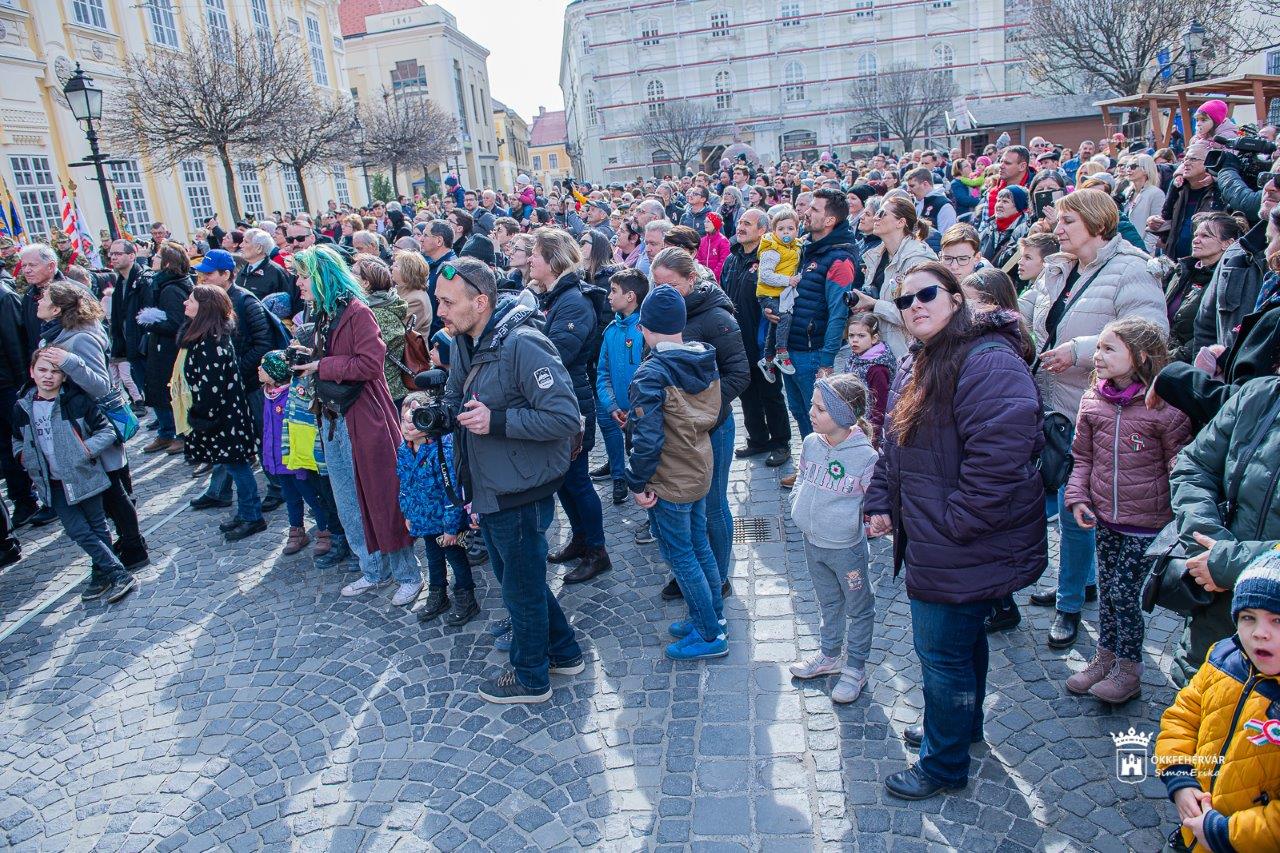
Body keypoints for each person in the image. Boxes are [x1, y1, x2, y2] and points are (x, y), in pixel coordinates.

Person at [865, 262, 1046, 800]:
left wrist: (954, 523)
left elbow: (1004, 455)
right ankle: (960, 728)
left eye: (927, 294)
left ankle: (943, 764)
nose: (915, 306)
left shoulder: (986, 360)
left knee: (942, 655)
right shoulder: (922, 356)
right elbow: (893, 442)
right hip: (938, 534)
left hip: (959, 538)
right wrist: (881, 499)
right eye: (905, 301)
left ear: (955, 298)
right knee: (961, 648)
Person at [1019, 190, 1168, 649]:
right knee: (1066, 504)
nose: (1057, 230)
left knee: (1073, 507)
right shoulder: (1061, 267)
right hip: (1056, 404)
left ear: (1097, 224)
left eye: (1067, 222)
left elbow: (1151, 333)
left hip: (1105, 410)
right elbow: (1030, 315)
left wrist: (1083, 350)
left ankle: (1068, 608)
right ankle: (1079, 584)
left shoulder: (1132, 268)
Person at [436, 256, 585, 704]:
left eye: (447, 301)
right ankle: (563, 651)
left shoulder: (523, 343)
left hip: (519, 486)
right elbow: (458, 396)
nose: (440, 311)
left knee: (519, 585)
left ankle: (531, 677)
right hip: (491, 480)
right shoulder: (468, 339)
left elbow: (564, 416)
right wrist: (439, 414)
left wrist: (497, 421)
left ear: (480, 302)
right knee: (517, 577)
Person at [1061, 319, 1191, 704]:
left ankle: (1128, 668)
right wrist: (1078, 495)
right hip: (1106, 518)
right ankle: (1105, 657)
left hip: (1146, 522)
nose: (1097, 357)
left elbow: (1179, 464)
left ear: (1141, 357)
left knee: (1123, 594)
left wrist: (1180, 519)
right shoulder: (1092, 400)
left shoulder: (1165, 408)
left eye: (1108, 349)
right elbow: (1082, 456)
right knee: (1107, 591)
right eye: (1097, 348)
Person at [290, 246, 422, 607]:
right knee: (348, 499)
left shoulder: (357, 311)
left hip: (364, 417)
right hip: (332, 417)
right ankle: (373, 569)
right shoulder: (320, 314)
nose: (298, 283)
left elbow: (369, 364)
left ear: (321, 277)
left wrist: (321, 366)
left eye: (303, 276)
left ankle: (408, 574)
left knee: (382, 498)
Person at [624, 284, 726, 660]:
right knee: (699, 546)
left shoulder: (652, 373)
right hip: (698, 466)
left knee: (681, 555)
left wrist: (636, 480)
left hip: (669, 476)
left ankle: (708, 635)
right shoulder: (703, 357)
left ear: (645, 326)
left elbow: (647, 440)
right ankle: (711, 616)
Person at [1155, 552, 1280, 853]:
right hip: (1194, 829)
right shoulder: (1223, 657)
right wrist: (1180, 779)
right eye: (1248, 617)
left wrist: (1223, 833)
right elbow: (1182, 718)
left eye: (1278, 620)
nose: (1260, 633)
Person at [1167, 372, 1280, 686]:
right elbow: (1195, 467)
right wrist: (1207, 543)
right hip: (1215, 617)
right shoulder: (1259, 395)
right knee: (1196, 711)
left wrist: (1228, 564)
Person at [650, 247, 750, 599]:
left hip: (713, 426)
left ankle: (718, 577)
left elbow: (740, 374)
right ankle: (693, 572)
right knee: (685, 503)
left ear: (692, 280)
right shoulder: (664, 312)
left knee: (711, 505)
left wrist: (704, 412)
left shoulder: (716, 316)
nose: (662, 292)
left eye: (670, 285)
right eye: (656, 285)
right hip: (679, 428)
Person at [35, 281, 149, 570]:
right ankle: (126, 543)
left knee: (113, 489)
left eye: (44, 297)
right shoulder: (55, 334)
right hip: (75, 422)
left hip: (95, 423)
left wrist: (70, 362)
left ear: (58, 308)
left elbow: (101, 384)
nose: (38, 300)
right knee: (110, 488)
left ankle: (134, 547)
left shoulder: (79, 338)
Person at [14, 348, 136, 602]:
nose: (48, 376)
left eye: (55, 371)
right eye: (42, 370)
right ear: (32, 372)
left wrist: (86, 450)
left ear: (64, 376)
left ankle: (104, 573)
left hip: (84, 474)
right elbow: (16, 439)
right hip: (52, 482)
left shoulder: (76, 401)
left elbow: (107, 431)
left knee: (97, 525)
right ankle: (117, 572)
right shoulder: (23, 407)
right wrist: (23, 456)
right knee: (77, 529)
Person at [786, 374, 879, 703]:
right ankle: (829, 656)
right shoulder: (812, 442)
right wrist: (797, 505)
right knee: (828, 602)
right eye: (812, 405)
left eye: (820, 408)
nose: (812, 412)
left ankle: (855, 667)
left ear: (843, 415)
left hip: (846, 550)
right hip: (813, 543)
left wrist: (866, 525)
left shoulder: (865, 456)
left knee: (859, 606)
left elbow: (874, 503)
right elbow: (801, 477)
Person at [526, 228, 611, 584]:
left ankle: (597, 551)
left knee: (576, 480)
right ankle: (579, 540)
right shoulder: (555, 297)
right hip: (562, 399)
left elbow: (557, 354)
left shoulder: (572, 301)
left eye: (535, 254)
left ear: (552, 260)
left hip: (572, 400)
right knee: (564, 479)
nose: (530, 259)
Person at [171, 285, 263, 542]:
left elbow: (212, 387)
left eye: (191, 301)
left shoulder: (211, 342)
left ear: (205, 308)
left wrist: (201, 416)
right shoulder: (206, 336)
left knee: (239, 466)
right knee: (234, 465)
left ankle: (252, 516)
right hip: (224, 415)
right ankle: (246, 511)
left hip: (224, 417)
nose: (185, 304)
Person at [775, 188, 858, 447]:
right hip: (791, 348)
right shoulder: (807, 248)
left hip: (813, 352)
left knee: (820, 418)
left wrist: (826, 361)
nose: (806, 213)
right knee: (800, 413)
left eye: (814, 210)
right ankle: (809, 464)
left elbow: (838, 312)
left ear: (830, 220)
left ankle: (825, 471)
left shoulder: (840, 258)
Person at [398, 393, 477, 627]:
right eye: (404, 421)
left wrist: (452, 528)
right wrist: (408, 514)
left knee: (456, 557)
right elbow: (404, 486)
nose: (408, 427)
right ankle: (438, 592)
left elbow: (451, 492)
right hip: (425, 521)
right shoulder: (404, 450)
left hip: (446, 523)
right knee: (433, 557)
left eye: (415, 420)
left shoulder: (441, 450)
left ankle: (466, 596)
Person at [722, 209, 792, 467]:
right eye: (740, 222)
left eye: (747, 224)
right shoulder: (732, 259)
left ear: (762, 230)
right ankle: (758, 439)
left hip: (763, 339)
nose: (740, 227)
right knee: (747, 393)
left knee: (770, 393)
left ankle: (781, 442)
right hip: (736, 340)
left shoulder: (769, 258)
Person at [257, 350, 337, 558]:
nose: (259, 369)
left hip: (295, 457)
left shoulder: (290, 394)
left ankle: (324, 529)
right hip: (278, 456)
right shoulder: (266, 394)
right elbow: (267, 429)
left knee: (311, 496)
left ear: (276, 371)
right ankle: (296, 529)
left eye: (264, 366)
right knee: (290, 496)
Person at [850, 196, 936, 361]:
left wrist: (874, 304)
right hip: (879, 352)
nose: (875, 217)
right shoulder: (876, 256)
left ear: (900, 222)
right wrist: (865, 305)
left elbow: (922, 313)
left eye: (882, 213)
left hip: (907, 353)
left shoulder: (917, 259)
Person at [595, 268, 648, 506]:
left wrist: (638, 411)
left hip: (644, 415)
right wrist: (612, 405)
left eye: (614, 291)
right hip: (621, 412)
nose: (608, 296)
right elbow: (603, 372)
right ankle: (620, 478)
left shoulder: (646, 330)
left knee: (648, 466)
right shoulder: (611, 331)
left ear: (630, 297)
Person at [1162, 213, 1242, 363]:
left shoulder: (1228, 282)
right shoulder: (1182, 271)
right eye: (1195, 235)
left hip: (1186, 365)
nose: (1196, 240)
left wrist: (1166, 360)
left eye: (1205, 236)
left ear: (1227, 244)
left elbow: (1211, 333)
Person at [139, 241, 194, 455]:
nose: (153, 259)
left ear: (168, 263)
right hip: (162, 347)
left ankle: (179, 434)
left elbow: (176, 322)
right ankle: (167, 432)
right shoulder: (163, 283)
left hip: (169, 349)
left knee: (171, 393)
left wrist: (150, 321)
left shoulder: (171, 289)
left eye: (158, 257)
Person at [1148, 142, 1226, 263]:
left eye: (1193, 159)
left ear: (1211, 163)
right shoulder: (1179, 189)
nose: (1186, 163)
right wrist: (1156, 224)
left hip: (1205, 267)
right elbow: (1169, 221)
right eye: (1185, 159)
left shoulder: (1220, 192)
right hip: (1175, 264)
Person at [353, 257, 411, 404]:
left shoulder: (378, 314)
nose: (348, 276)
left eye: (353, 273)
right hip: (377, 393)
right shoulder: (378, 305)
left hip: (386, 396)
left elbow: (362, 357)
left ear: (366, 283)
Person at [756, 205, 802, 380]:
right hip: (768, 293)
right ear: (774, 231)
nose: (786, 232)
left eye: (790, 228)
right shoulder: (772, 249)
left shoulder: (795, 246)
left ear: (797, 230)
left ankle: (767, 359)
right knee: (784, 316)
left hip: (781, 293)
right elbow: (765, 275)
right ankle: (781, 353)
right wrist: (787, 281)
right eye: (781, 229)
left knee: (775, 324)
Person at [834, 313, 894, 438]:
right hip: (853, 421)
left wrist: (874, 435)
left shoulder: (878, 369)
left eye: (861, 336)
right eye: (851, 335)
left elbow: (880, 407)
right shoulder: (854, 357)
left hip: (869, 428)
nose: (854, 340)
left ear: (874, 338)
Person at [1122, 154, 1167, 254]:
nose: (1128, 169)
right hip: (1122, 247)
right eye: (1127, 166)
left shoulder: (1156, 193)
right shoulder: (1126, 192)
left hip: (1142, 250)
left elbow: (1156, 227)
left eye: (1133, 166)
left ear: (1146, 170)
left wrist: (1145, 249)